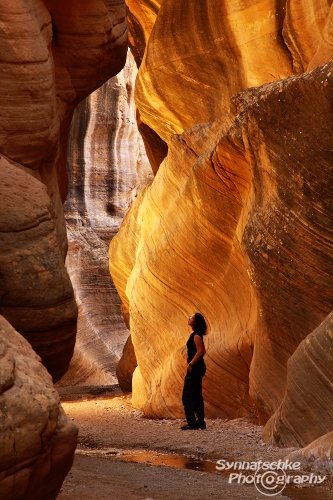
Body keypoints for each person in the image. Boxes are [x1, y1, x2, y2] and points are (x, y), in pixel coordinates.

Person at [181, 312, 207, 430]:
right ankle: (200, 421)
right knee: (197, 394)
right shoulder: (197, 335)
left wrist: (191, 363)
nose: (189, 318)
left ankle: (192, 422)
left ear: (195, 322)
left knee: (187, 395)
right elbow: (203, 351)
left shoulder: (196, 335)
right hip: (199, 367)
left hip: (195, 368)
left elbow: (201, 351)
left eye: (191, 318)